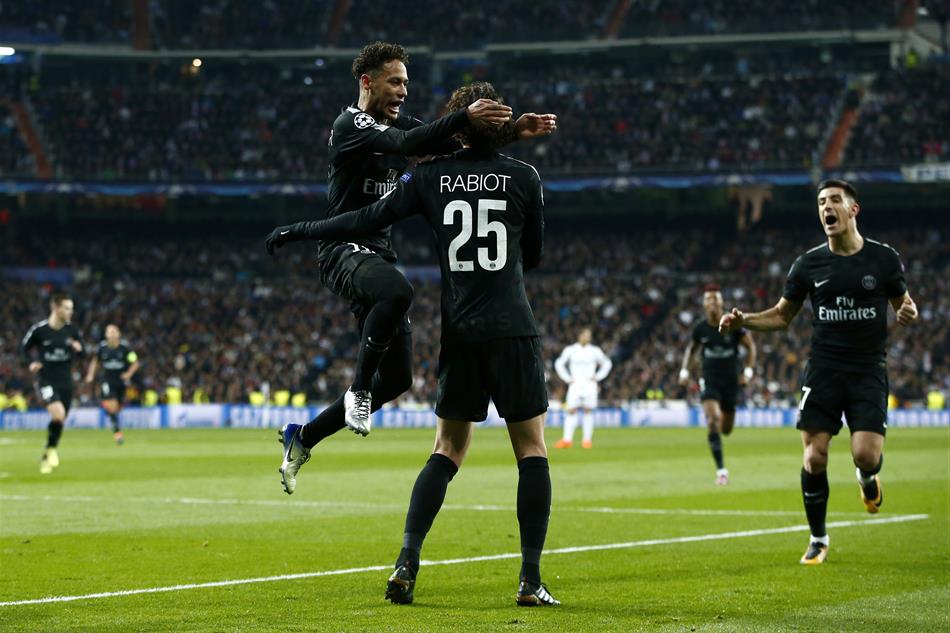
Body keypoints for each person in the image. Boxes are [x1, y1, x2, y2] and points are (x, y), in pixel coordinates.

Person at [267, 81, 559, 606]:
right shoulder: (524, 177)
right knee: (531, 450)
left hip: (461, 332)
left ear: (457, 127)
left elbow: (367, 218)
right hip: (512, 327)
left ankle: (406, 561)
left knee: (446, 450)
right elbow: (533, 256)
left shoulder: (429, 176)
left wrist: (305, 228)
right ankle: (529, 580)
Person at [719, 179, 918, 565]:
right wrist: (745, 321)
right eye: (821, 202)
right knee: (814, 458)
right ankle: (818, 538)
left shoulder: (883, 259)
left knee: (866, 455)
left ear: (853, 209)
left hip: (867, 370)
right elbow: (782, 316)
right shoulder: (807, 264)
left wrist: (909, 311)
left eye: (835, 200)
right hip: (823, 370)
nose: (827, 207)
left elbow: (904, 304)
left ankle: (866, 477)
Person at [678, 284, 756, 485]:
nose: (712, 302)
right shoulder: (700, 328)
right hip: (709, 380)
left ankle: (717, 435)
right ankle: (721, 470)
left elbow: (751, 347)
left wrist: (748, 372)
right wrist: (684, 371)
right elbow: (691, 349)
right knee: (713, 419)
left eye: (715, 299)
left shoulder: (733, 324)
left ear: (722, 303)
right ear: (704, 305)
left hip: (731, 381)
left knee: (726, 429)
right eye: (708, 299)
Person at [19, 293, 84, 474]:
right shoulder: (39, 330)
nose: (70, 312)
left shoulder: (72, 331)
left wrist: (79, 349)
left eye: (71, 309)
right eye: (67, 308)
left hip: (66, 382)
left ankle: (49, 450)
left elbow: (84, 353)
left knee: (60, 419)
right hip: (46, 379)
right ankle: (51, 451)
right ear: (55, 308)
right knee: (58, 413)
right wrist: (31, 363)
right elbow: (23, 350)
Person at [553, 327, 612, 449]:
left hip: (590, 385)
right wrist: (567, 378)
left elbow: (607, 363)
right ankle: (567, 440)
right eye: (585, 335)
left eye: (589, 335)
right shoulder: (571, 350)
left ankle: (586, 440)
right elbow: (559, 363)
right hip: (575, 385)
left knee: (588, 411)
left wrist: (598, 376)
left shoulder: (594, 350)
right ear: (579, 336)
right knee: (571, 410)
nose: (587, 338)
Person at [84, 324, 140, 444]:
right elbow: (95, 361)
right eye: (109, 332)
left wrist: (128, 374)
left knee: (117, 406)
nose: (112, 334)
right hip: (107, 381)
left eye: (114, 331)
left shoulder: (125, 349)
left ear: (119, 334)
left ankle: (108, 409)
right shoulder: (102, 348)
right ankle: (118, 433)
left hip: (120, 382)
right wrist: (90, 374)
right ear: (106, 335)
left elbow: (135, 362)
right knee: (112, 405)